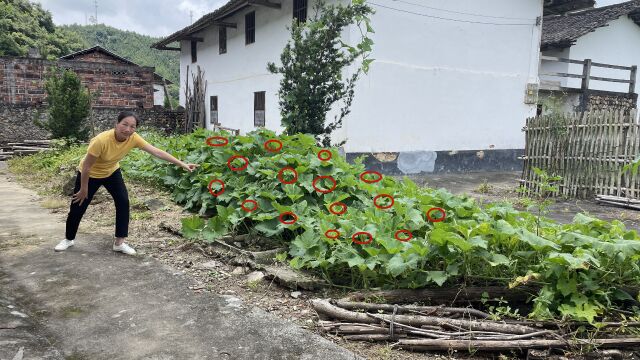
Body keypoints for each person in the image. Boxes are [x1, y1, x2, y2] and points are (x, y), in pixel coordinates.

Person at [54, 111, 198, 255]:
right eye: (124, 124)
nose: (128, 129)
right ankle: (68, 239)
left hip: (111, 172)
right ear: (116, 124)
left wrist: (183, 164)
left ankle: (119, 242)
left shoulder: (133, 138)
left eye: (132, 126)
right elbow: (86, 167)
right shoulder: (101, 140)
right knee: (78, 205)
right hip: (90, 174)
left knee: (123, 201)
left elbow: (157, 152)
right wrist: (84, 189)